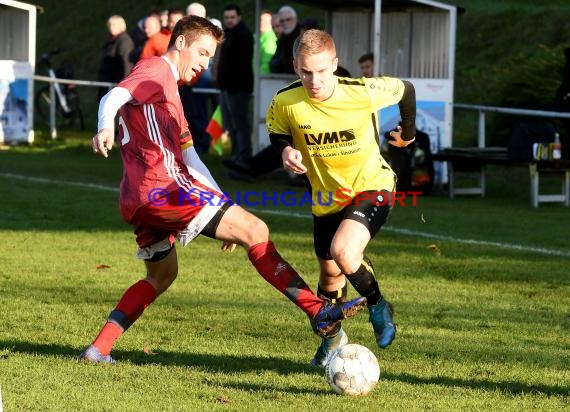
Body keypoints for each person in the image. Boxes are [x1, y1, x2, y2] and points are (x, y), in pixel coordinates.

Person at [79, 16, 366, 364]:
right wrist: (103, 127)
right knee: (256, 230)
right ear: (180, 43)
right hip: (165, 187)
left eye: (210, 58)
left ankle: (99, 349)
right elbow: (114, 95)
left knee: (162, 275)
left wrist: (223, 206)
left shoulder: (170, 97)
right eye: (201, 53)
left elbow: (192, 157)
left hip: (137, 199)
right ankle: (318, 311)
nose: (204, 64)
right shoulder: (156, 69)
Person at [266, 29, 417, 367]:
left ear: (334, 64)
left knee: (344, 251)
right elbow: (276, 130)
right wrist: (286, 150)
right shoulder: (286, 101)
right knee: (330, 278)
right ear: (295, 67)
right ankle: (333, 340)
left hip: (372, 185)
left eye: (321, 70)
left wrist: (407, 134)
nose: (314, 79)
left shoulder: (361, 92)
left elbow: (406, 90)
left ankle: (379, 306)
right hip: (325, 199)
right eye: (306, 71)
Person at [218, 4, 254, 171]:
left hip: (238, 88)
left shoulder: (244, 35)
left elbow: (242, 64)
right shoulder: (228, 35)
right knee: (230, 125)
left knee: (240, 125)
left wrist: (232, 85)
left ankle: (243, 158)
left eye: (232, 17)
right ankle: (235, 156)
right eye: (227, 18)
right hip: (227, 87)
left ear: (238, 17)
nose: (229, 20)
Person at [97, 15, 134, 101]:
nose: (111, 27)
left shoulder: (124, 41)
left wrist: (123, 85)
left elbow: (126, 63)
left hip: (117, 84)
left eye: (114, 25)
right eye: (110, 25)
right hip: (107, 83)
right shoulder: (112, 41)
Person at [269, 5, 301, 74]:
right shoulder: (282, 40)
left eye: (288, 19)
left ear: (295, 19)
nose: (285, 23)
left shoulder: (301, 38)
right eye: (282, 21)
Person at [257, 10, 278, 74]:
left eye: (266, 21)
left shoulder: (271, 39)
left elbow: (266, 64)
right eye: (261, 20)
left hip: (260, 79)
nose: (262, 23)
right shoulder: (255, 37)